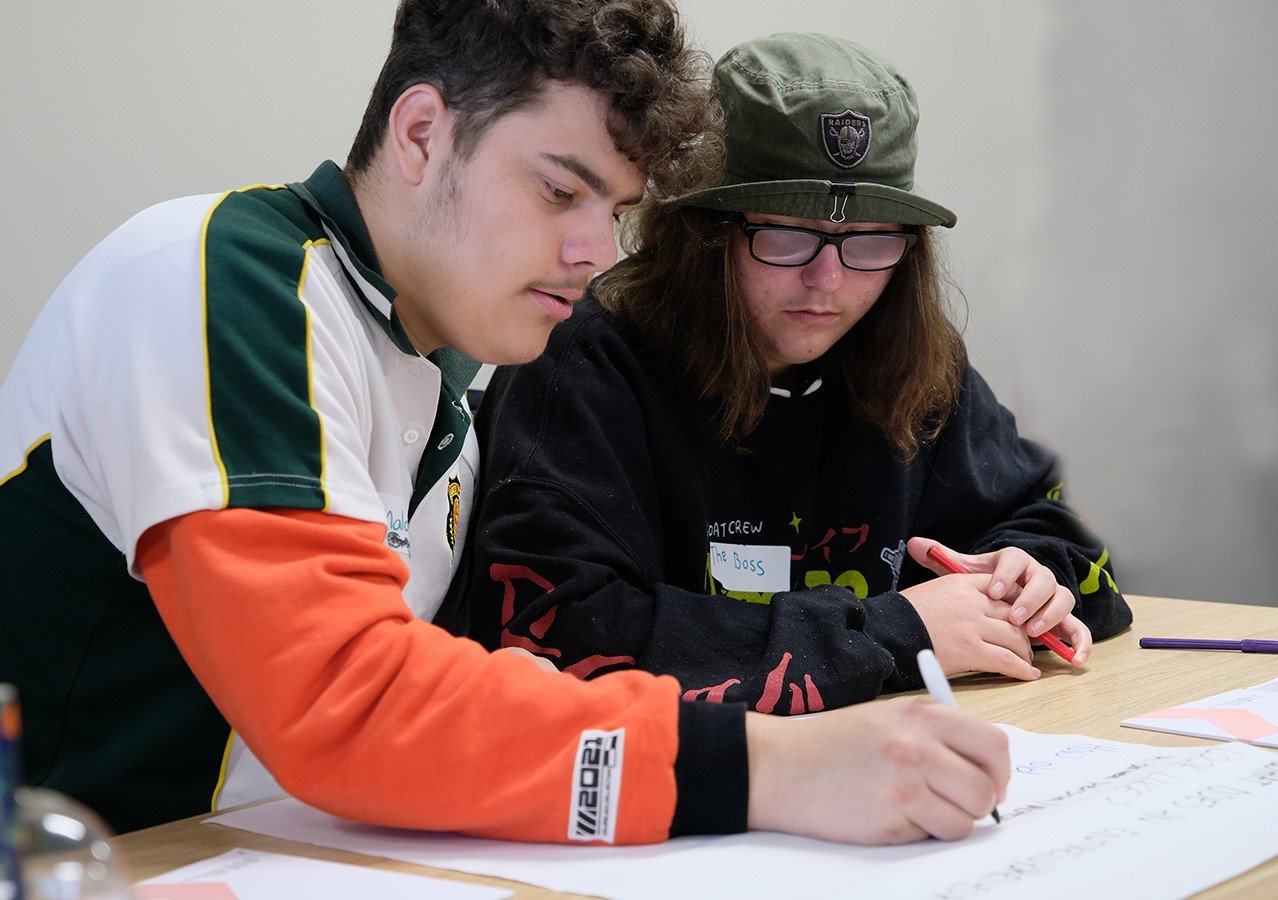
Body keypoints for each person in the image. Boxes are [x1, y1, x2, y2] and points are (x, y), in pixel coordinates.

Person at [0, 6, 1009, 847]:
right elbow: (347, 706)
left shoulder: (441, 376)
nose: (596, 250)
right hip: (64, 865)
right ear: (421, 132)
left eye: (617, 211)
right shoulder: (215, 279)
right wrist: (775, 769)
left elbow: (469, 691)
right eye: (559, 192)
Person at [468, 33, 1133, 717]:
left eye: (872, 240)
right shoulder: (583, 366)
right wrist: (898, 634)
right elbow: (559, 635)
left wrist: (1032, 575)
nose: (829, 281)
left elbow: (1066, 541)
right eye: (785, 236)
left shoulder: (909, 359)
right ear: (703, 232)